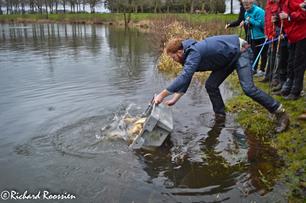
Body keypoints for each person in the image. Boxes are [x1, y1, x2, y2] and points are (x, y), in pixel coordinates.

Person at [154, 35, 289, 133]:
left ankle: (280, 112)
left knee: (248, 88)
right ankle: (220, 116)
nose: (174, 60)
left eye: (173, 58)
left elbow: (184, 76)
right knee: (211, 85)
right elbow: (187, 77)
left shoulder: (194, 52)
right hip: (227, 60)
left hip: (241, 51)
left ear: (179, 52)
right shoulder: (188, 54)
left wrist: (162, 95)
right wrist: (174, 99)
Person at [279, 0, 306, 99]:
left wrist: (289, 16)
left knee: (298, 63)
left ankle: (296, 90)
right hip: (292, 34)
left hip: (302, 34)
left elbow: (303, 13)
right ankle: (289, 86)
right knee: (290, 62)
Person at [262, 0, 289, 94]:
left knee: (279, 57)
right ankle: (269, 76)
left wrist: (281, 33)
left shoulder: (279, 4)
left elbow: (281, 20)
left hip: (279, 33)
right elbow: (267, 21)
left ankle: (276, 79)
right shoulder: (268, 5)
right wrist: (266, 33)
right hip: (271, 34)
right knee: (271, 55)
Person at [240, 0, 268, 76]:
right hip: (253, 36)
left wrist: (250, 20)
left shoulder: (259, 11)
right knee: (254, 53)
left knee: (263, 53)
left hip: (263, 35)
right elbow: (248, 22)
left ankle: (262, 70)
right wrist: (244, 22)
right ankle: (253, 69)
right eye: (244, 6)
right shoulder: (246, 12)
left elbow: (261, 24)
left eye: (247, 6)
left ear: (252, 4)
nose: (246, 8)